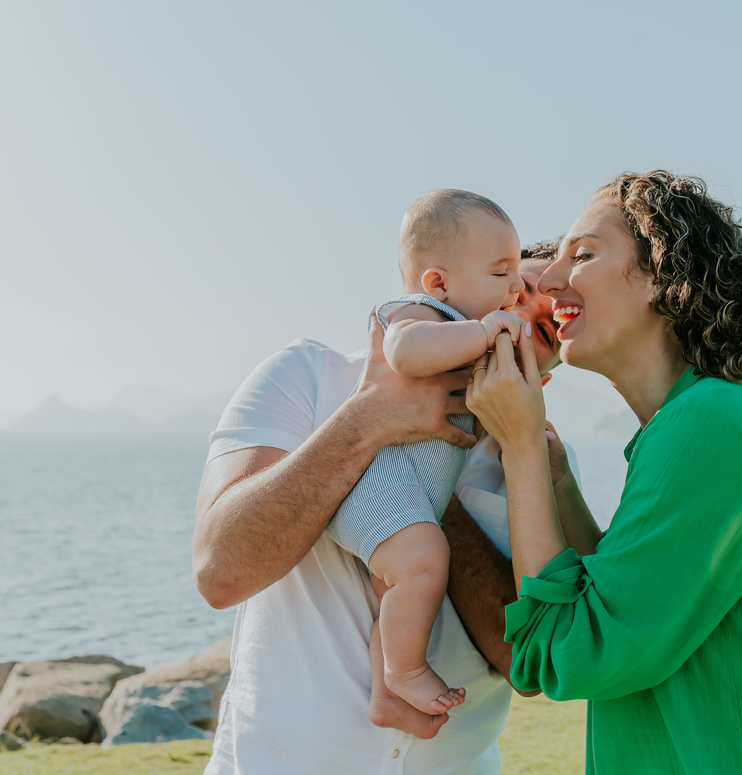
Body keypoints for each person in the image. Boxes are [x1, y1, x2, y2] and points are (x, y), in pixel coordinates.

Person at [466, 170, 742, 774]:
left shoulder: (711, 424)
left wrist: (522, 445)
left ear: (665, 275)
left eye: (582, 255)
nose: (550, 279)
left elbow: (568, 652)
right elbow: (626, 606)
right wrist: (555, 479)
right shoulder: (703, 417)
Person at [193, 242, 563, 774]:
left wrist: (431, 494)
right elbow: (219, 572)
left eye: (544, 332)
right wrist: (371, 419)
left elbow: (526, 665)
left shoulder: (539, 463)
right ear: (452, 286)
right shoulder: (304, 375)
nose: (519, 322)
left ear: (543, 378)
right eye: (515, 293)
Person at [326, 189, 527, 732]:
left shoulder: (459, 336)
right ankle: (408, 670)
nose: (516, 286)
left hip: (406, 495)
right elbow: (405, 352)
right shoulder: (419, 313)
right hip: (380, 490)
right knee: (423, 562)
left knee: (400, 593)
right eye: (501, 272)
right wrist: (485, 332)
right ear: (438, 282)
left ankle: (388, 689)